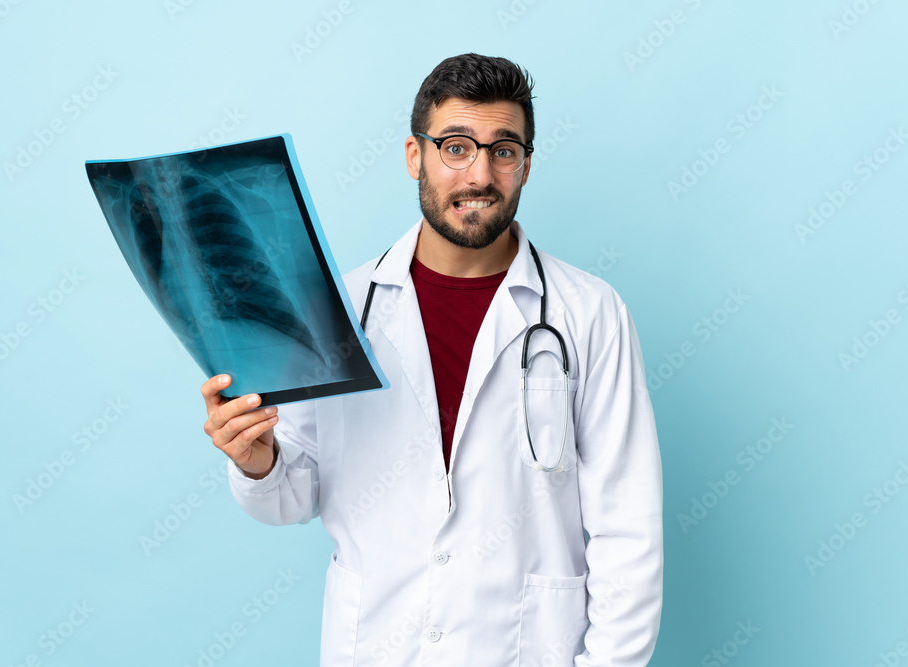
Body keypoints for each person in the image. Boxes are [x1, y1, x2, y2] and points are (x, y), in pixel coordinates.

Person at [201, 53, 663, 666]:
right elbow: (291, 497)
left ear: (525, 165)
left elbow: (628, 528)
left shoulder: (589, 313)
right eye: (455, 147)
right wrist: (258, 461)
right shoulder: (336, 310)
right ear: (415, 156)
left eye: (503, 150)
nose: (479, 173)